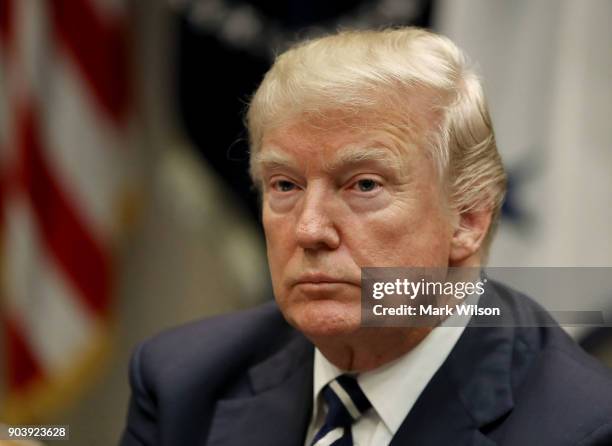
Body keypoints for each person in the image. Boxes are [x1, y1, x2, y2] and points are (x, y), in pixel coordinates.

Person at [119, 28, 612, 445]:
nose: (310, 230)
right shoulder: (181, 383)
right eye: (285, 185)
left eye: (364, 185)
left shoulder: (583, 428)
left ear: (468, 219)